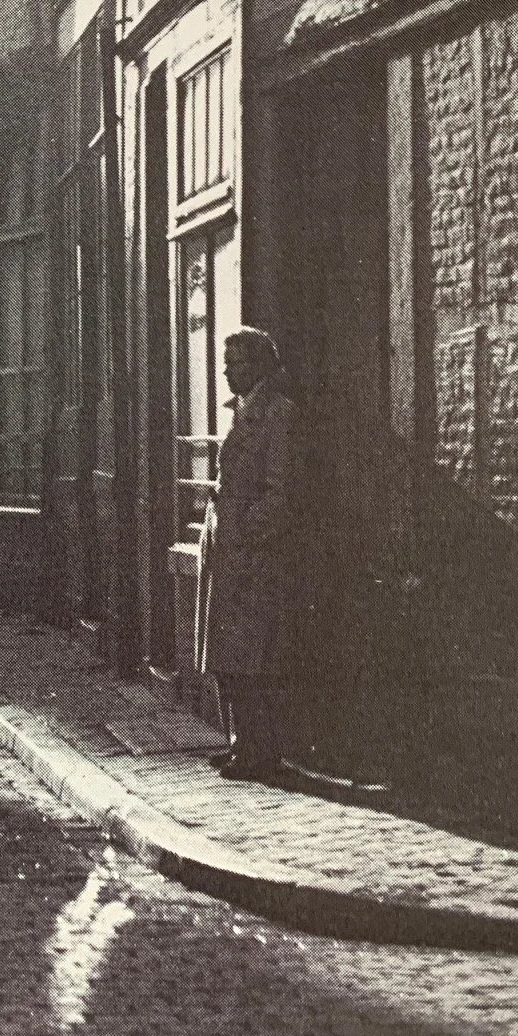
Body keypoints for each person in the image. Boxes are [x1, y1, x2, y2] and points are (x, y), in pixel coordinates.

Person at [201, 327, 299, 781]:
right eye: (226, 364)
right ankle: (242, 743)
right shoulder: (241, 411)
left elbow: (280, 491)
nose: (226, 372)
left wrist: (245, 532)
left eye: (235, 363)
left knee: (253, 656)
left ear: (259, 365)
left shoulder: (277, 414)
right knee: (230, 655)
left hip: (254, 557)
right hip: (229, 551)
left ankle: (261, 752)